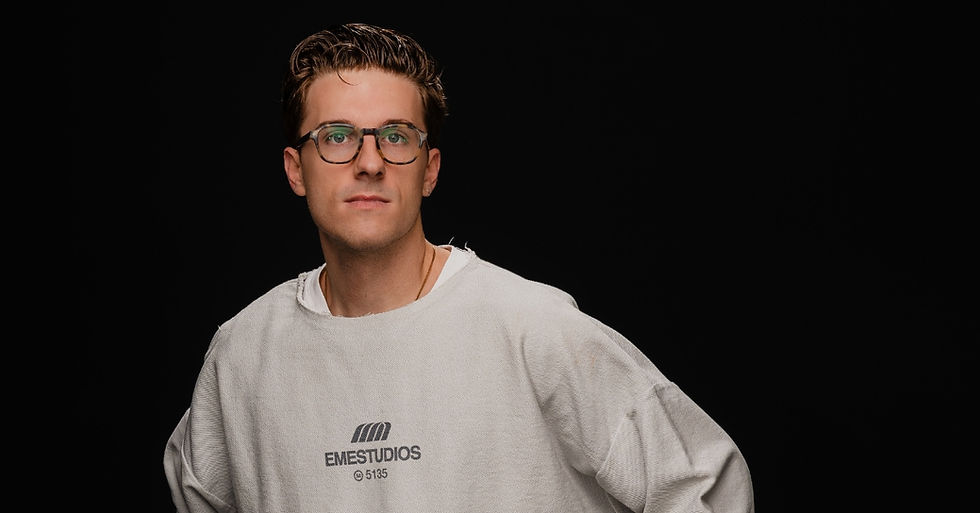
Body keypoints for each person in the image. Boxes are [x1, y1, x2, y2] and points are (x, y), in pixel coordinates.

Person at [164, 22, 754, 512]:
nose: (369, 162)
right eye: (336, 136)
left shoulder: (531, 329)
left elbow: (705, 485)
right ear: (296, 169)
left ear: (430, 169)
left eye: (396, 136)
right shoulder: (242, 357)